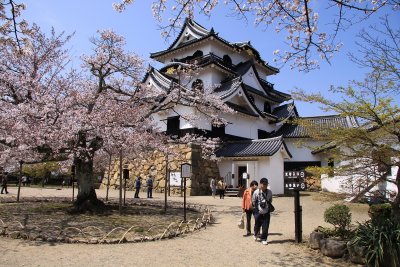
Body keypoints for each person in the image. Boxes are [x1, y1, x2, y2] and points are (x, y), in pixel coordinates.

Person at [252, 177, 273, 245]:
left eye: (266, 184)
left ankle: (264, 239)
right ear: (260, 184)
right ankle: (255, 234)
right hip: (258, 212)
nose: (265, 185)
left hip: (266, 212)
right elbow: (253, 201)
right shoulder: (256, 192)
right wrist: (256, 211)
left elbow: (270, 200)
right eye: (264, 184)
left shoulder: (269, 192)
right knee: (257, 225)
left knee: (265, 226)